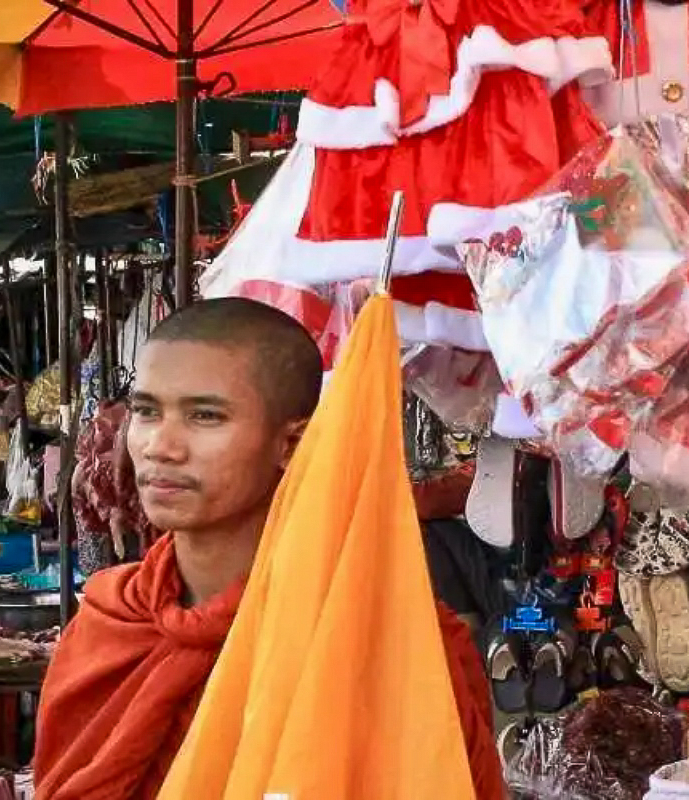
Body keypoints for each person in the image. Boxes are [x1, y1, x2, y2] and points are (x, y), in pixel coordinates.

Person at [33, 297, 506, 800]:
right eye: (147, 412)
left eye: (205, 416)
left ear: (291, 444)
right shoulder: (110, 620)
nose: (160, 446)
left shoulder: (377, 637)